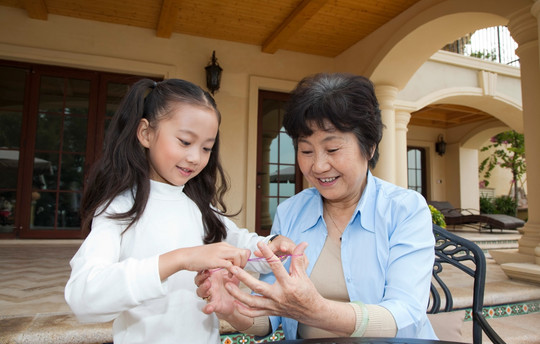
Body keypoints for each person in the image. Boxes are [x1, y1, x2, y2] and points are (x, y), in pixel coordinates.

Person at [195, 73, 437, 340]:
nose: (318, 166)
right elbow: (270, 316)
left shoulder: (404, 210)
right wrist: (233, 310)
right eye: (306, 151)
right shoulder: (291, 212)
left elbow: (405, 314)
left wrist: (317, 311)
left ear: (369, 147)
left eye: (332, 149)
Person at [64, 78, 295, 344]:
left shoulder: (199, 207)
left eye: (206, 147)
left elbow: (243, 247)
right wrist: (181, 258)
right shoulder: (119, 209)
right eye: (185, 142)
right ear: (145, 133)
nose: (196, 157)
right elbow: (83, 296)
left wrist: (273, 247)